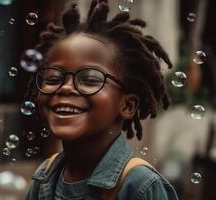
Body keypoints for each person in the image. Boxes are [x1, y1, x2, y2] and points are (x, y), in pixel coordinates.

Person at [25, 0, 179, 199]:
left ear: (127, 105)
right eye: (53, 78)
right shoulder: (45, 175)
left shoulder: (140, 186)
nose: (65, 87)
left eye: (90, 79)